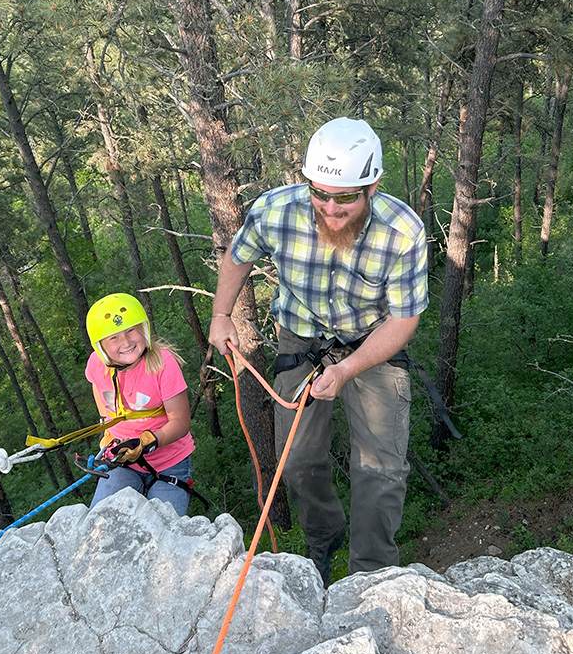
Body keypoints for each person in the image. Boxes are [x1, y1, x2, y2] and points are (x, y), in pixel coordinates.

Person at [208, 117, 428, 585]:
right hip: (302, 340)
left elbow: (403, 319)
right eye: (320, 193)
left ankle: (371, 574)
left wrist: (347, 369)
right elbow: (239, 255)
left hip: (372, 344)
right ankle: (323, 538)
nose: (330, 208)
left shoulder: (401, 230)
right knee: (298, 461)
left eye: (346, 197)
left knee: (381, 469)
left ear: (372, 187)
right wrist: (221, 314)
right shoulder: (276, 210)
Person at [84, 292, 195, 515]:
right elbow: (99, 392)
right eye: (113, 338)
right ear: (101, 346)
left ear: (143, 329)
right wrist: (108, 430)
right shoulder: (97, 364)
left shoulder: (163, 363)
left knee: (164, 527)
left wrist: (147, 443)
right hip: (122, 461)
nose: (126, 342)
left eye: (130, 331)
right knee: (100, 519)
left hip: (170, 461)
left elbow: (181, 422)